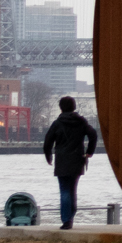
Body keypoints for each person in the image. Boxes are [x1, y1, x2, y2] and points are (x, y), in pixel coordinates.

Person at [41, 96, 99, 230]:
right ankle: (71, 216)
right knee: (73, 189)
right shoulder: (81, 122)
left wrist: (48, 156)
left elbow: (47, 141)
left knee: (64, 190)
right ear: (74, 106)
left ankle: (67, 220)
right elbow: (93, 135)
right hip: (77, 160)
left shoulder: (57, 123)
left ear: (61, 107)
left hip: (62, 161)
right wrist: (89, 152)